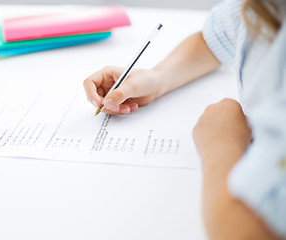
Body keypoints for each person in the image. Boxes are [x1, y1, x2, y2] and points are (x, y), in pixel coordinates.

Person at [83, 0, 286, 239]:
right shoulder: (260, 6)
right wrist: (158, 78)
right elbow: (212, 42)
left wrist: (222, 146)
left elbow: (244, 232)